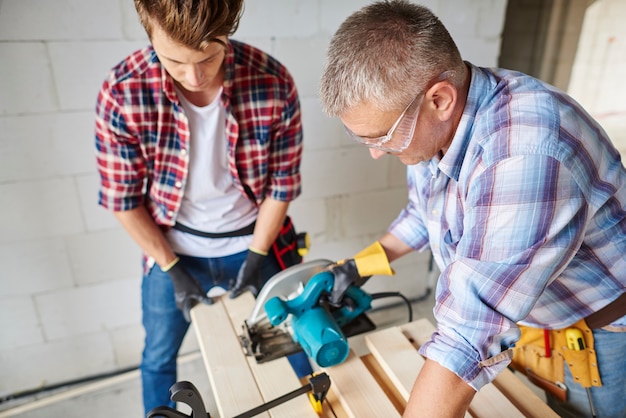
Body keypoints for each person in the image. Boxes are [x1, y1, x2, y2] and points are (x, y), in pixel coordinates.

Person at [319, 1, 626, 417]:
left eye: (382, 136)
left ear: (439, 100)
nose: (376, 153)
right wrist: (358, 266)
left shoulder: (525, 150)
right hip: (529, 320)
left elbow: (470, 331)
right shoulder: (434, 130)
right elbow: (422, 215)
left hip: (594, 337)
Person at [94, 0, 312, 414]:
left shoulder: (272, 80)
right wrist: (171, 267)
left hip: (254, 242)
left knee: (294, 341)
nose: (194, 76)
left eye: (210, 55)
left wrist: (258, 253)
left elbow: (281, 186)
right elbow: (122, 200)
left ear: (228, 30)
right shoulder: (123, 91)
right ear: (150, 35)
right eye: (175, 60)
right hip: (171, 253)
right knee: (158, 357)